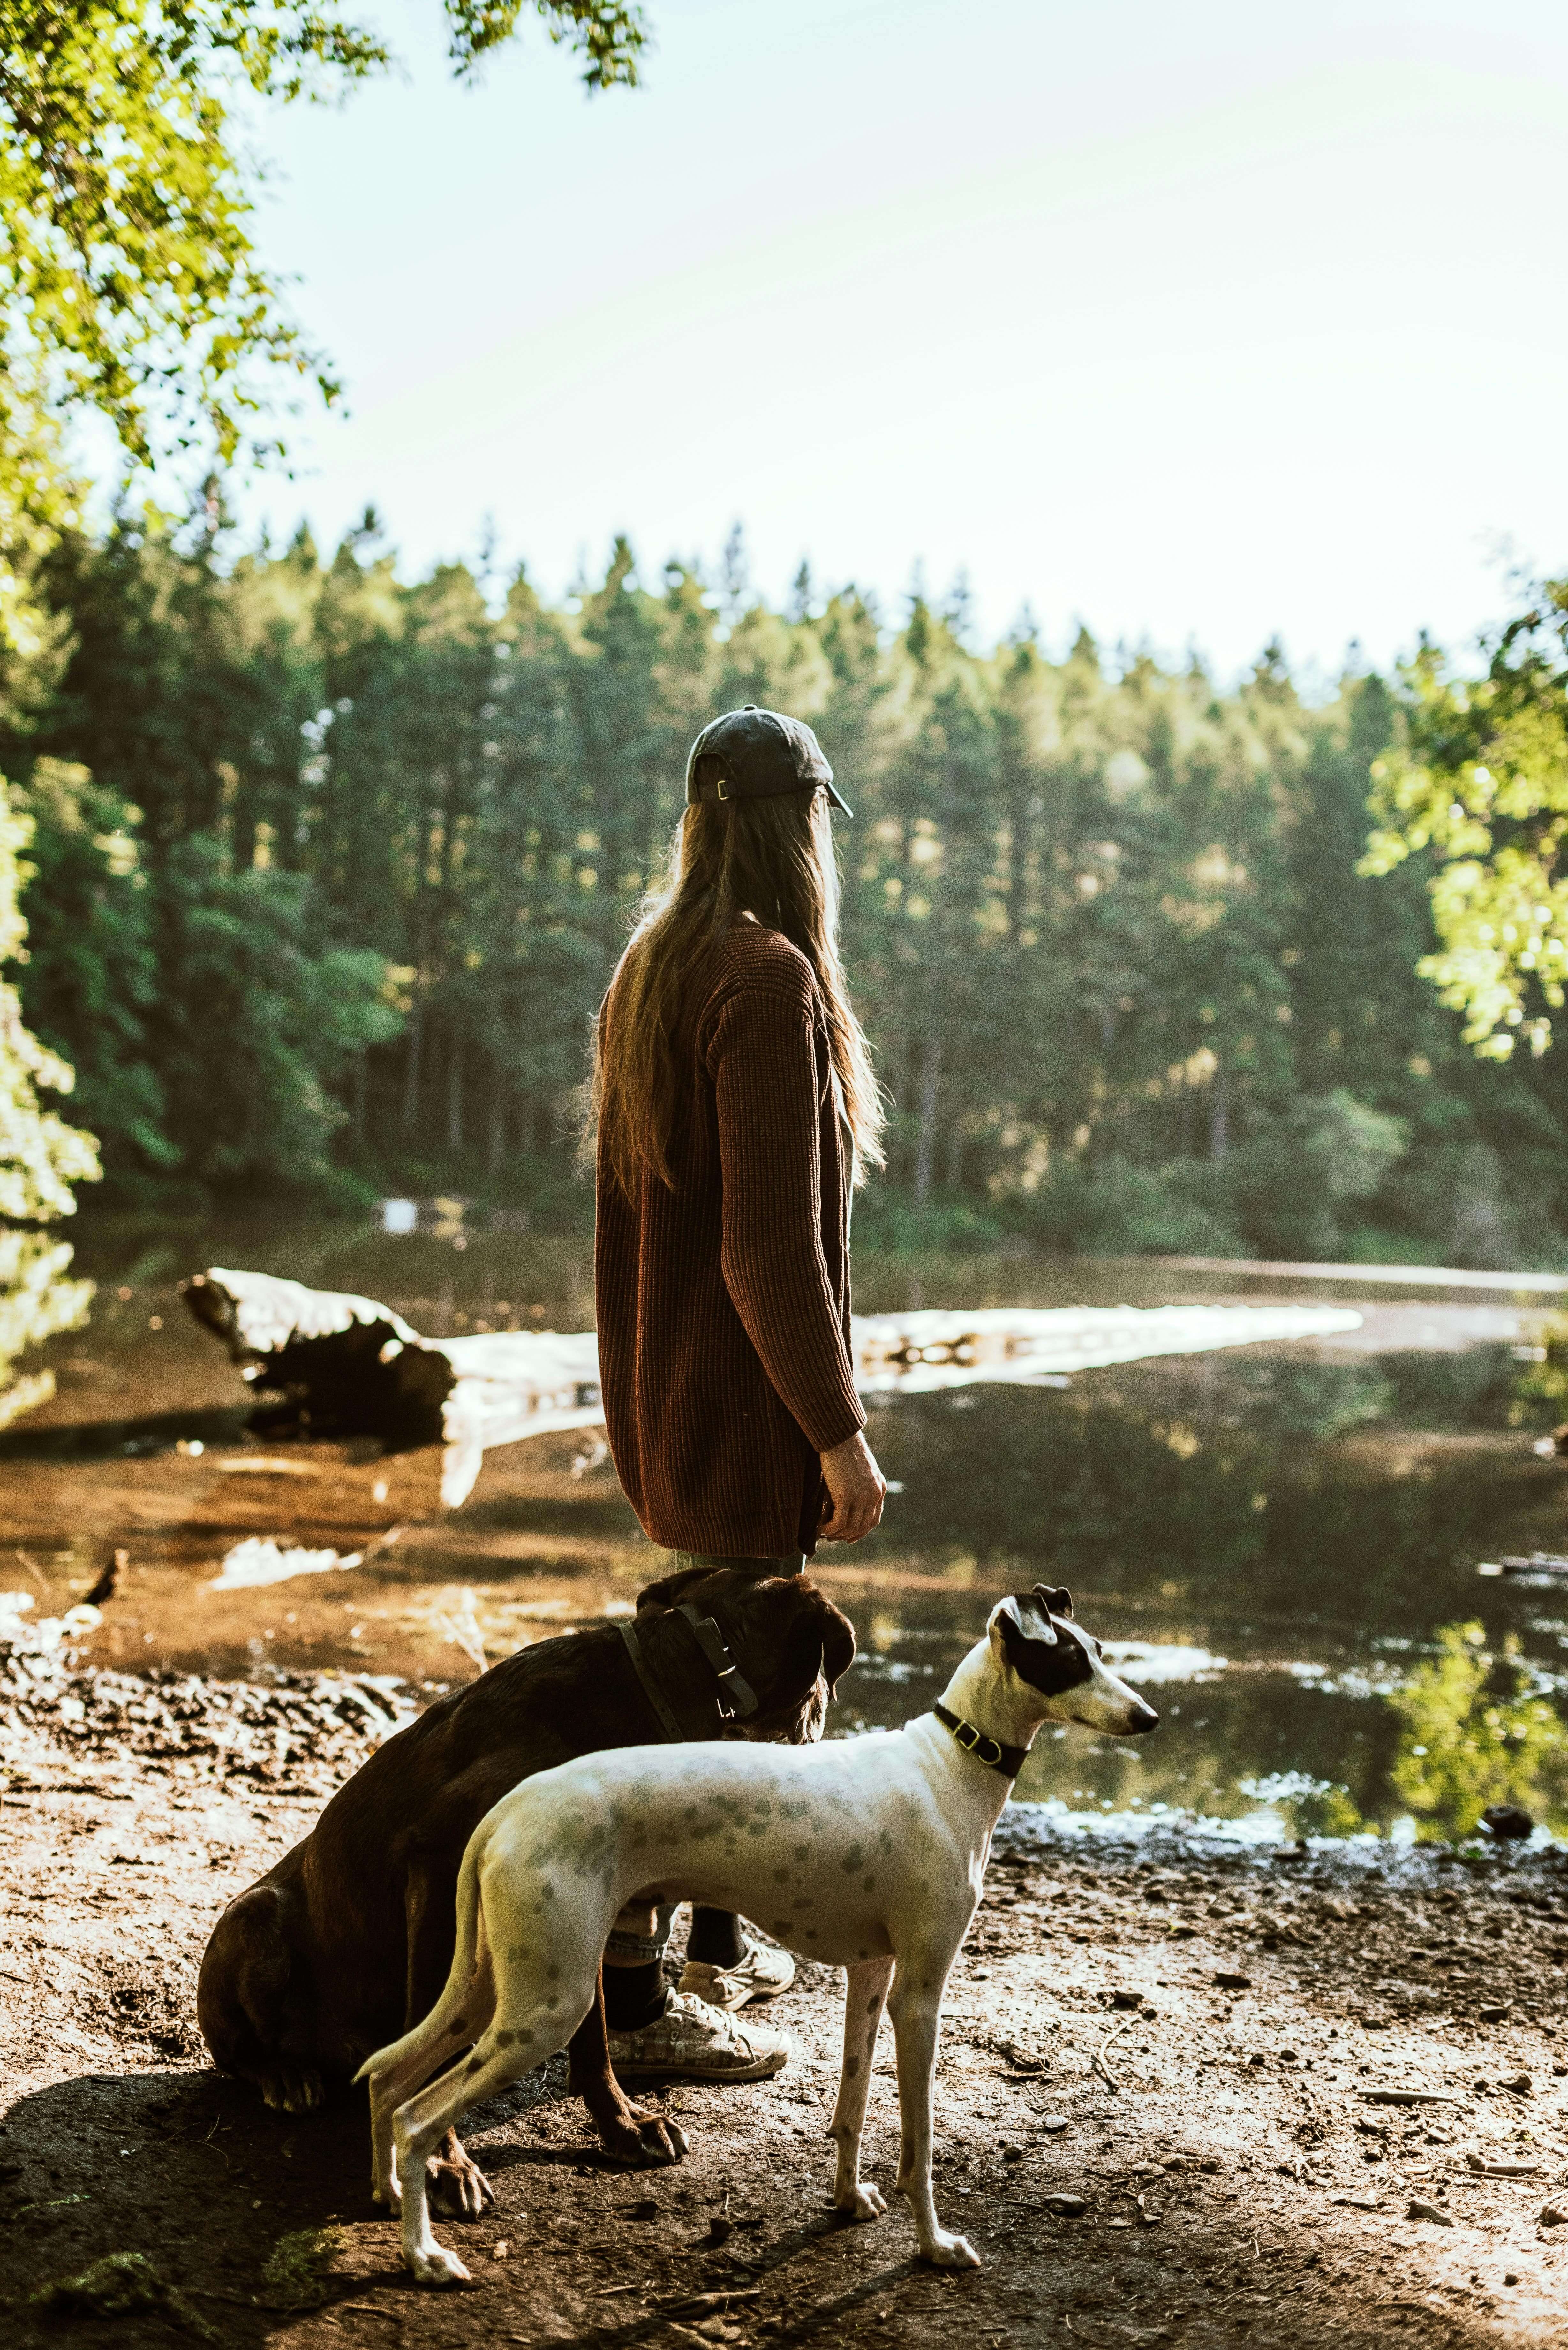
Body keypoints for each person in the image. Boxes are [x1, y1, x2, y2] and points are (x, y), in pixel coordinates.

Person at [588, 702, 887, 2082]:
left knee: (720, 1686)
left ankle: (712, 1945)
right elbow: (765, 1252)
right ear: (801, 824)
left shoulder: (654, 967)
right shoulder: (764, 980)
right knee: (715, 1709)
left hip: (672, 1402)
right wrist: (839, 1434)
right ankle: (639, 2005)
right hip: (741, 1408)